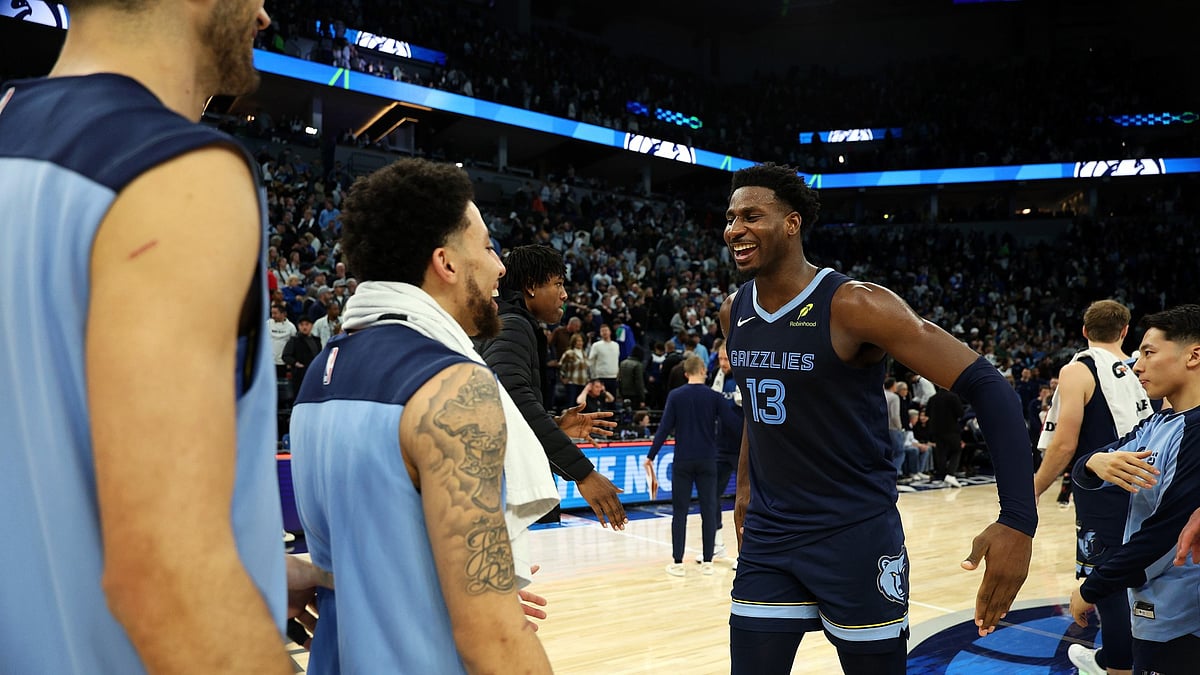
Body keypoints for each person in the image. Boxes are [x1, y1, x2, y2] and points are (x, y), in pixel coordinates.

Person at [0, 1, 328, 672]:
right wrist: (224, 608)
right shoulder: (177, 170)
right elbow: (167, 581)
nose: (264, 14)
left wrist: (257, 572)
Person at [720, 163, 1036, 674]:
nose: (734, 228)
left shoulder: (854, 305)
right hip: (770, 540)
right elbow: (759, 409)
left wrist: (1018, 519)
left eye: (752, 216)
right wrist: (743, 491)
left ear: (793, 223)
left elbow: (989, 386)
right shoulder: (735, 310)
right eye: (731, 217)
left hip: (855, 537)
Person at [289, 159, 554, 673]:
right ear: (446, 264)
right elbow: (492, 637)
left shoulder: (321, 372)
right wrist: (490, 604)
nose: (500, 266)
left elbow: (375, 557)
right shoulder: (452, 387)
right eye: (487, 246)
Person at [1069, 304, 1200, 675]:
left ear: (1193, 355)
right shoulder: (1156, 422)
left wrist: (1093, 587)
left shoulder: (1196, 431)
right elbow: (1086, 468)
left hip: (1185, 614)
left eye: (1148, 352)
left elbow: (1167, 533)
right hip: (1154, 607)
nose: (1137, 365)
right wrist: (1095, 462)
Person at [1034, 300, 1151, 675]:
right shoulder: (1141, 370)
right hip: (1146, 485)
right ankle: (1130, 655)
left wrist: (1032, 489)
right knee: (1137, 576)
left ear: (1084, 332)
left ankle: (1115, 663)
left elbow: (1065, 444)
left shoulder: (1078, 370)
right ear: (1124, 331)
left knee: (1107, 578)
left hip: (1102, 489)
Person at [474, 244, 627, 530]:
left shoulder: (504, 323)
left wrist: (555, 425)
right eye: (557, 284)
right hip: (510, 497)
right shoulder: (513, 326)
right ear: (531, 287)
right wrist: (583, 473)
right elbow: (511, 400)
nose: (564, 294)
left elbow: (505, 416)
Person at [645, 355, 742, 576]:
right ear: (702, 371)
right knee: (708, 509)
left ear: (686, 373)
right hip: (708, 459)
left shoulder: (676, 396)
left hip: (683, 460)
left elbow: (664, 428)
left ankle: (678, 563)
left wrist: (651, 455)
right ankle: (708, 562)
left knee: (680, 512)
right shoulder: (714, 397)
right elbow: (733, 424)